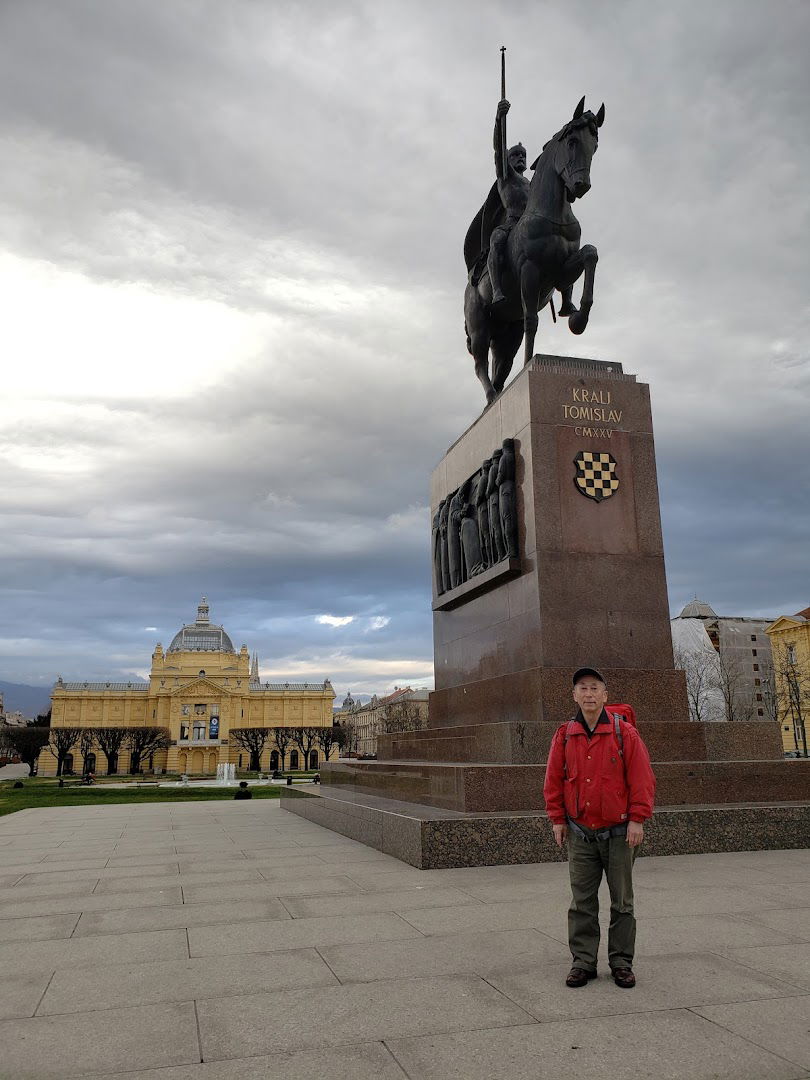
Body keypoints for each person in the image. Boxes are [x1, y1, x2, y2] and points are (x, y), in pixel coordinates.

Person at [543, 667, 656, 989]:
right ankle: (583, 962)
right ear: (574, 696)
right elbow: (553, 780)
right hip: (580, 833)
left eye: (595, 688)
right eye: (583, 688)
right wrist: (557, 819)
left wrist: (637, 819)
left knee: (622, 902)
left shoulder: (625, 734)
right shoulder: (564, 734)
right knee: (582, 902)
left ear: (605, 696)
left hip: (620, 832)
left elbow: (642, 779)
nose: (589, 694)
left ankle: (621, 962)